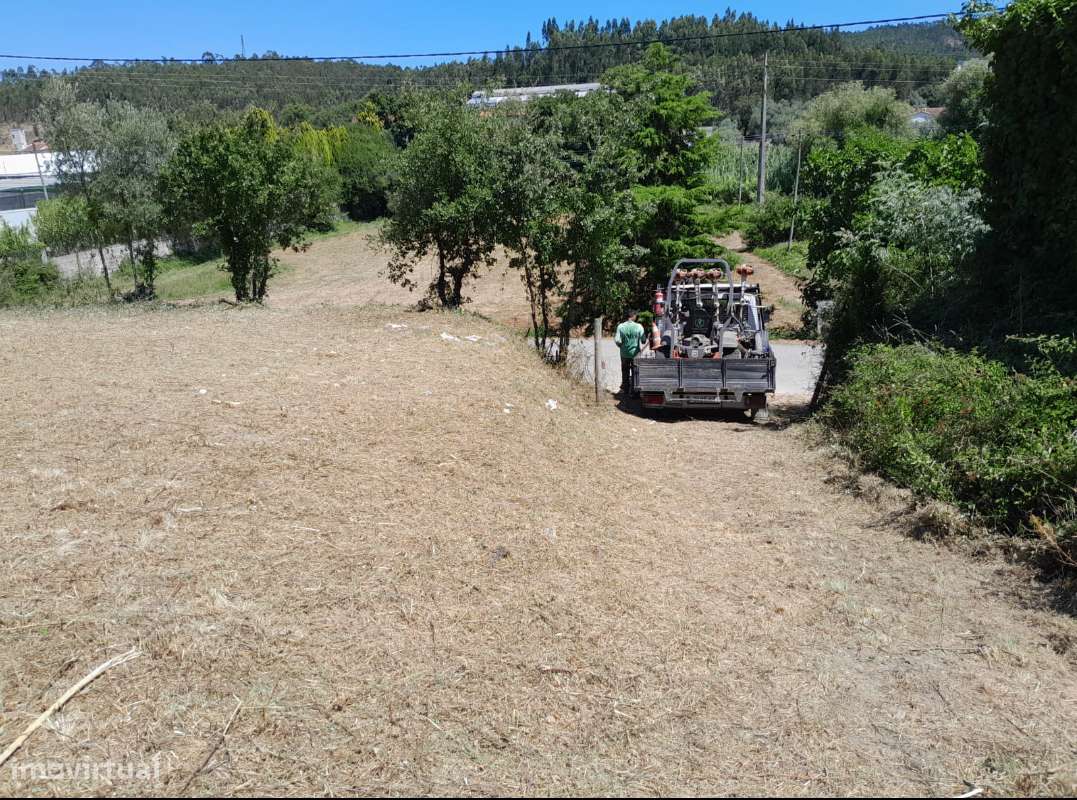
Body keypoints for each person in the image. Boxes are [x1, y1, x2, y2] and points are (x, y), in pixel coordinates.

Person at [613, 310, 645, 397]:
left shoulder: (621, 326)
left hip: (624, 354)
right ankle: (635, 392)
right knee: (636, 372)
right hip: (635, 354)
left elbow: (617, 340)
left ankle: (626, 391)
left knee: (625, 371)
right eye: (636, 316)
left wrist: (621, 346)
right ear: (633, 316)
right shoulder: (639, 327)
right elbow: (643, 340)